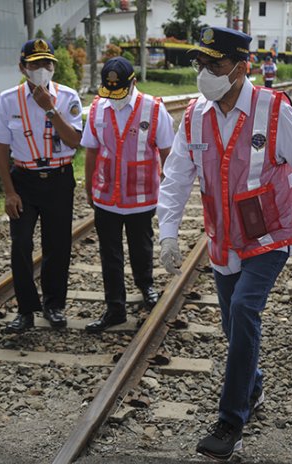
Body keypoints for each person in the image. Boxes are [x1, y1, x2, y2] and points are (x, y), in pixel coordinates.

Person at [158, 26, 292, 461]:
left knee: (243, 311)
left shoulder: (273, 111)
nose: (204, 72)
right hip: (223, 241)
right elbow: (177, 176)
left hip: (270, 237)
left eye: (214, 64)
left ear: (241, 67)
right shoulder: (195, 115)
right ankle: (252, 385)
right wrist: (167, 232)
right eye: (201, 63)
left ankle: (231, 422)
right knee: (232, 327)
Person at [0, 39, 83, 333]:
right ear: (23, 68)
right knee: (21, 244)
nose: (42, 70)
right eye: (36, 64)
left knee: (58, 245)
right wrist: (9, 191)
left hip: (58, 178)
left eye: (47, 64)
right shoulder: (8, 100)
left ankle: (54, 305)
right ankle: (26, 310)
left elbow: (75, 141)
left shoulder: (67, 97)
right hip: (24, 181)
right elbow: (1, 149)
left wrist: (50, 109)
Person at [81, 56, 174, 332]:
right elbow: (91, 150)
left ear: (133, 83)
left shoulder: (154, 109)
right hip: (107, 196)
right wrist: (89, 187)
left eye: (119, 91)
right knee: (109, 254)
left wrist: (169, 192)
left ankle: (146, 285)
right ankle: (115, 307)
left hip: (141, 196)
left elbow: (168, 152)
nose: (114, 98)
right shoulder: (98, 107)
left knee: (141, 246)